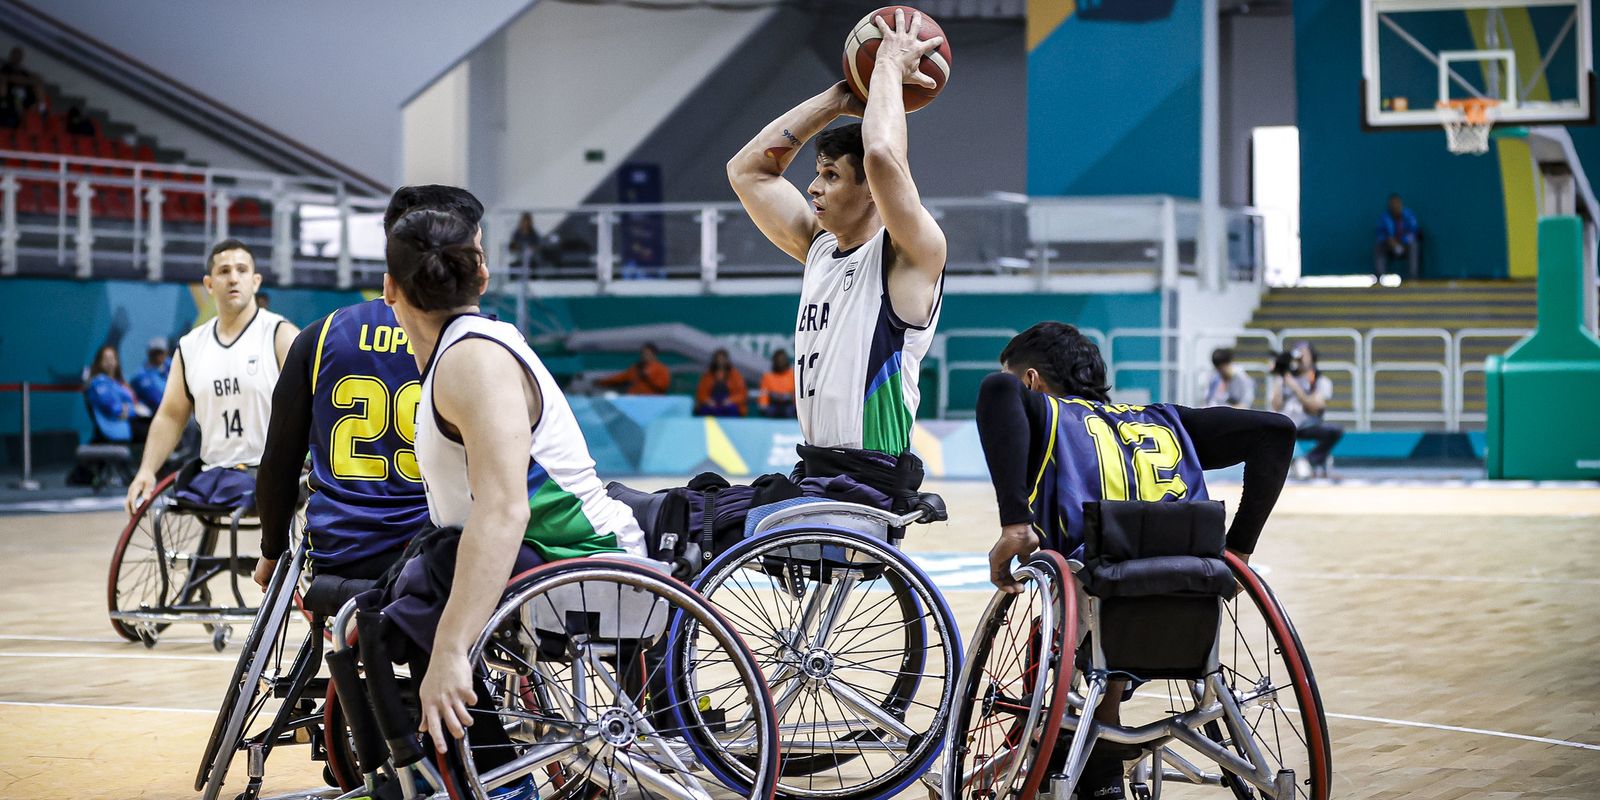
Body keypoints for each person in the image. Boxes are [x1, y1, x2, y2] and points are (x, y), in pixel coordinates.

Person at [976, 322, 1295, 800]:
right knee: (1108, 590)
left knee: (1080, 597)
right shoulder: (1165, 419)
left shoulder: (1048, 414)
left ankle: (1087, 754)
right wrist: (1238, 549)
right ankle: (1104, 739)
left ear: (1032, 381)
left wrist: (1014, 523)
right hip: (1191, 594)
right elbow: (1277, 430)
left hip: (1100, 595)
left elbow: (997, 389)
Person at [381, 205, 646, 778]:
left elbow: (504, 512)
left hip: (583, 561)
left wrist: (451, 648)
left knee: (426, 592)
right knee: (417, 579)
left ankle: (495, 781)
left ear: (388, 289)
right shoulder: (467, 347)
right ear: (483, 276)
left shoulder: (473, 361)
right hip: (550, 554)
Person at [728, 9, 947, 502]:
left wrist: (889, 66)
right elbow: (747, 173)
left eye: (830, 175)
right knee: (690, 515)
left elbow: (883, 157)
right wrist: (838, 99)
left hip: (869, 477)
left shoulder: (909, 254)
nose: (812, 187)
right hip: (815, 467)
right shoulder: (820, 248)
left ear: (873, 191)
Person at [250, 186, 484, 590]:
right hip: (438, 557)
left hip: (338, 554)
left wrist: (271, 550)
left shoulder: (319, 335)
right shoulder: (482, 346)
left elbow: (278, 463)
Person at [124, 240, 298, 514]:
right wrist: (146, 470)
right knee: (160, 519)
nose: (233, 278)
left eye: (241, 270)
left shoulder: (281, 335)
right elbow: (170, 415)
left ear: (255, 281)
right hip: (213, 474)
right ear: (209, 284)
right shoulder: (191, 346)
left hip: (272, 472)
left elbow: (313, 405)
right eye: (224, 271)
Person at [1270, 341, 1342, 478]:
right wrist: (1280, 377)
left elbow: (1316, 408)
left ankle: (1308, 460)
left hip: (1306, 425)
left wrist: (1296, 388)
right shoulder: (1284, 378)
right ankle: (1285, 464)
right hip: (1286, 424)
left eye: (1304, 355)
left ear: (1312, 357)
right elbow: (1276, 406)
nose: (1300, 359)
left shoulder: (1319, 380)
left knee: (1334, 431)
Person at [85, 344, 137, 443]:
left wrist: (128, 410)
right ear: (99, 362)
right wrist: (125, 409)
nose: (110, 362)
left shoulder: (119, 384)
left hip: (124, 430)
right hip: (110, 433)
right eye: (106, 359)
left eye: (112, 358)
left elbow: (133, 408)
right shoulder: (97, 383)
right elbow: (112, 408)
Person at [1374, 193, 1421, 282]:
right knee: (1379, 246)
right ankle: (1379, 277)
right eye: (1393, 204)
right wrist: (1389, 240)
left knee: (1414, 245)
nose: (1395, 206)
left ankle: (1413, 278)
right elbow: (1380, 234)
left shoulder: (1408, 215)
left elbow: (1414, 232)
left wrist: (1402, 241)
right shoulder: (1384, 217)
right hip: (1390, 246)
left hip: (1405, 245)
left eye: (1397, 203)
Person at [595, 342, 671, 395]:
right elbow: (620, 377)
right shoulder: (636, 367)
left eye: (648, 353)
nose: (645, 355)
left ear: (654, 354)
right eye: (643, 353)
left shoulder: (662, 368)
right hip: (634, 399)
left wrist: (647, 378)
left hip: (651, 401)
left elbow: (663, 387)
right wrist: (602, 381)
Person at [694, 348, 748, 417]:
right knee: (705, 409)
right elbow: (700, 394)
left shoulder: (735, 375)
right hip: (712, 403)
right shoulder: (707, 375)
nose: (720, 361)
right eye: (718, 359)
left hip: (729, 403)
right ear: (714, 360)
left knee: (731, 409)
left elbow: (742, 395)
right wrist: (708, 401)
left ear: (727, 360)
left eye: (723, 359)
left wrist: (730, 400)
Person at [0, 47, 46, 114]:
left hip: (25, 94)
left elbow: (33, 80)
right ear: (11, 56)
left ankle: (42, 108)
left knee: (37, 79)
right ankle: (3, 103)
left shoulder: (24, 71)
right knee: (5, 82)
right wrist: (23, 80)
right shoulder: (6, 68)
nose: (17, 58)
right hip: (10, 94)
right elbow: (8, 77)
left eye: (19, 56)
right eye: (15, 56)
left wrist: (27, 80)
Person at [130, 337, 170, 413]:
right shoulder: (140, 376)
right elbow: (157, 401)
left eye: (161, 352)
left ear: (166, 353)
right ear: (149, 353)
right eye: (155, 353)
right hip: (154, 415)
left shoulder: (171, 365)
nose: (158, 356)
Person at [759, 349, 797, 419]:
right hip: (773, 404)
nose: (780, 362)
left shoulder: (793, 375)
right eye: (778, 360)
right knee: (770, 411)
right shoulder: (767, 376)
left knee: (790, 411)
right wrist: (763, 405)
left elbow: (796, 393)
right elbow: (764, 394)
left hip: (788, 405)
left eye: (782, 360)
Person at [508, 212, 540, 278]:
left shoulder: (534, 234)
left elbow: (537, 246)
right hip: (519, 257)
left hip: (531, 259)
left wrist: (531, 249)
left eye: (527, 221)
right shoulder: (517, 233)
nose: (526, 223)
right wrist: (518, 248)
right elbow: (512, 246)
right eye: (524, 221)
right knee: (513, 266)